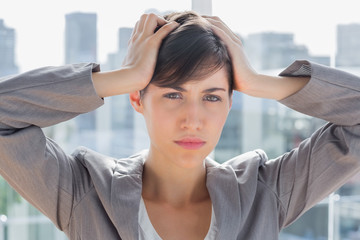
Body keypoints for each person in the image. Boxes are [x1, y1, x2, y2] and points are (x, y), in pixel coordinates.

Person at [0, 10, 359, 240]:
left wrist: (261, 82)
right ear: (137, 98)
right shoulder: (86, 193)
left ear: (231, 103)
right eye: (173, 95)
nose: (193, 119)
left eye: (213, 97)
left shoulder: (263, 194)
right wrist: (125, 76)